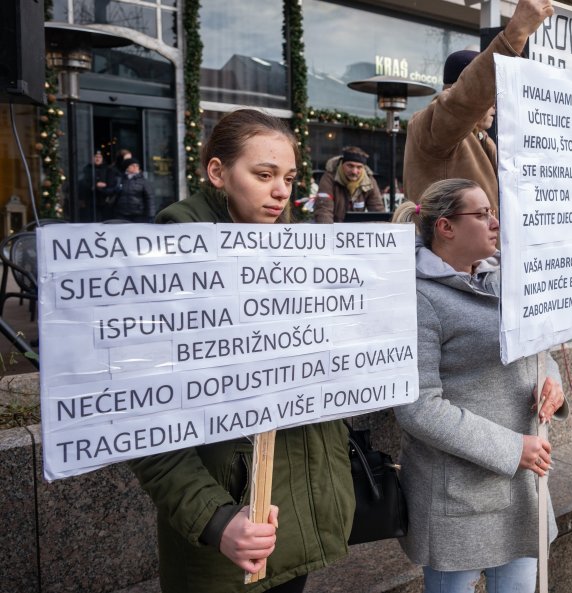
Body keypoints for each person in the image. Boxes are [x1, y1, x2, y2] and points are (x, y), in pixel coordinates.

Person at [131, 109, 355, 593]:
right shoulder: (171, 262)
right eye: (264, 174)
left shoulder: (297, 255)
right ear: (217, 172)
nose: (281, 191)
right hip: (224, 536)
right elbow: (143, 421)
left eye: (290, 178)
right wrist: (215, 518)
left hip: (294, 520)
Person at [390, 178, 568, 593]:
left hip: (522, 486)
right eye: (482, 213)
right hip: (458, 496)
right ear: (445, 227)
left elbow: (539, 353)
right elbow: (418, 407)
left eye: (492, 211)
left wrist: (551, 383)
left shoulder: (507, 280)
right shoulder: (417, 299)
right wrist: (511, 449)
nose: (495, 222)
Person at [402, 0, 553, 209]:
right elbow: (465, 100)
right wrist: (516, 33)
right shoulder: (431, 129)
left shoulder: (482, 140)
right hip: (449, 242)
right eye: (490, 97)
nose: (495, 106)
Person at [313, 146, 384, 222]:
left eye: (359, 167)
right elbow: (324, 209)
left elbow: (377, 211)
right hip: (334, 227)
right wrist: (328, 232)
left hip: (358, 230)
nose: (354, 171)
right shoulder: (329, 178)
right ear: (342, 164)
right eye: (350, 166)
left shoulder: (369, 182)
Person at [78, 150, 111, 222]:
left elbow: (111, 182)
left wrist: (106, 188)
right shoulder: (87, 169)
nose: (98, 159)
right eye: (96, 157)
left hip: (104, 200)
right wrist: (95, 184)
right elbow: (83, 183)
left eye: (100, 157)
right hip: (90, 200)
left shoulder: (107, 169)